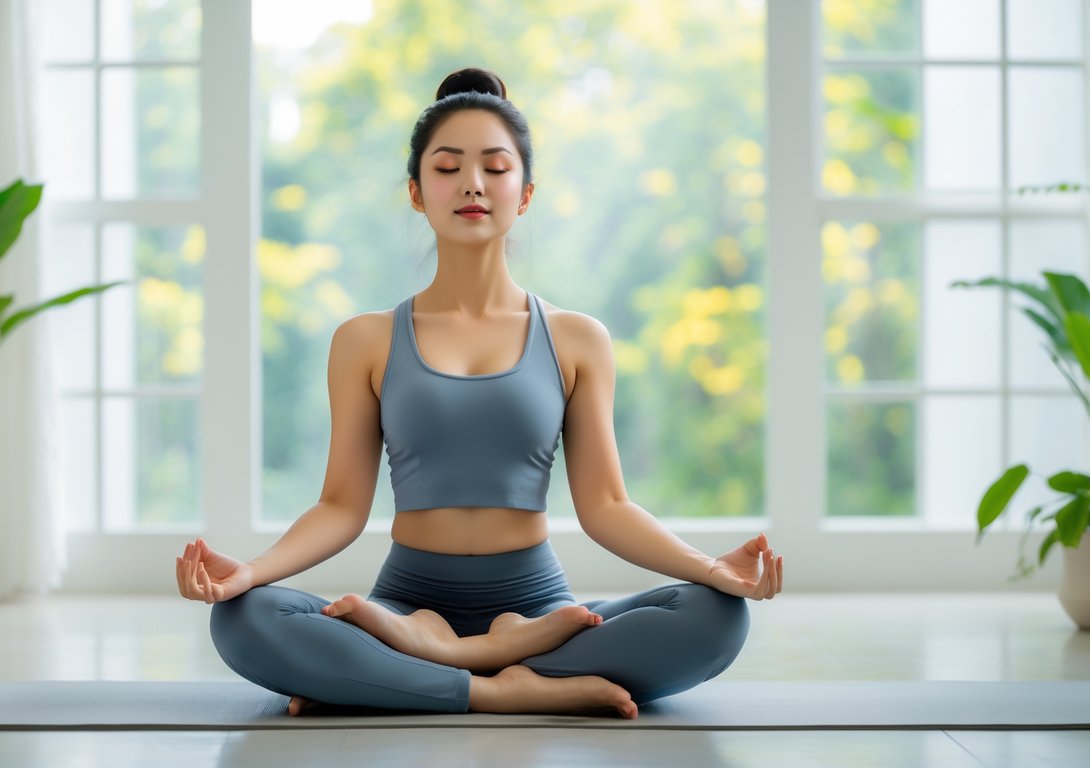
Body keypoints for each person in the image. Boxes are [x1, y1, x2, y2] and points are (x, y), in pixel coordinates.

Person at [176, 67, 783, 718]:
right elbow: (339, 506)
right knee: (244, 618)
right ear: (415, 191)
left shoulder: (577, 338)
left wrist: (708, 569)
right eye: (447, 168)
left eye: (495, 168)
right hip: (403, 606)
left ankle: (412, 671)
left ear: (523, 193)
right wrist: (251, 573)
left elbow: (606, 505)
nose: (472, 184)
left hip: (538, 609)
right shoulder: (366, 340)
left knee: (715, 617)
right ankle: (502, 683)